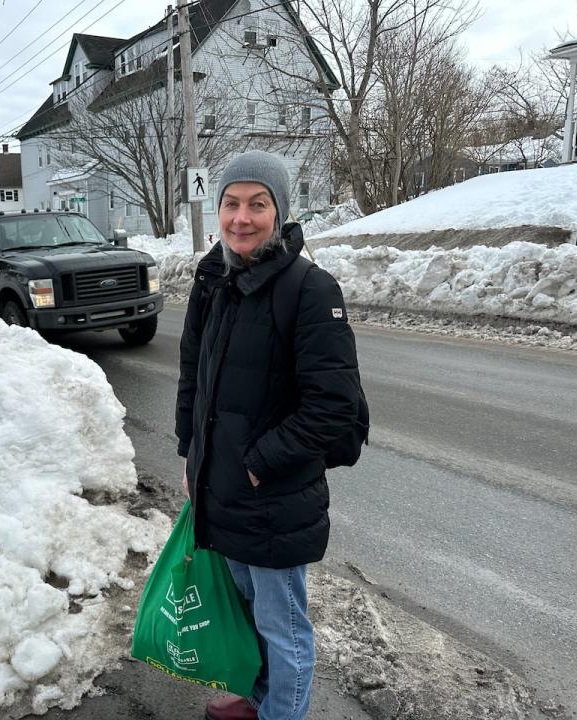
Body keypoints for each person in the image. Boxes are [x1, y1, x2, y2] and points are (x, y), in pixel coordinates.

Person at [175, 151, 362, 720]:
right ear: (217, 209)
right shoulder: (213, 281)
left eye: (258, 205)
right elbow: (194, 381)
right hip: (223, 486)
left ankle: (282, 711)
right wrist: (192, 458)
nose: (242, 218)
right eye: (231, 203)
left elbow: (335, 406)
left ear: (279, 213)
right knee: (248, 607)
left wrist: (260, 462)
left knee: (284, 627)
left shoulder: (310, 289)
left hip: (273, 493)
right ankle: (257, 699)